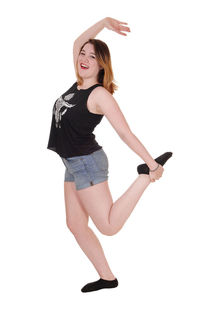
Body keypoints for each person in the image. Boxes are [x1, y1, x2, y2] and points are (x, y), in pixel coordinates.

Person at [47, 17, 173, 293]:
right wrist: (103, 23)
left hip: (88, 164)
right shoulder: (78, 83)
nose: (84, 57)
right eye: (83, 54)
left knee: (108, 226)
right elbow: (76, 42)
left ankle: (143, 178)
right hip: (72, 164)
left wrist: (151, 163)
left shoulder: (99, 94)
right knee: (76, 225)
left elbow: (124, 132)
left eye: (92, 56)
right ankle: (107, 278)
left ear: (101, 64)